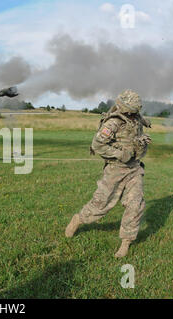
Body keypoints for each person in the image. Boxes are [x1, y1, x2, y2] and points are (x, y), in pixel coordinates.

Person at [65, 89, 152, 258]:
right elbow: (97, 145)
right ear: (125, 108)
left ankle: (126, 241)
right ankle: (78, 219)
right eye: (134, 110)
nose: (136, 112)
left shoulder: (135, 118)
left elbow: (138, 122)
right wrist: (120, 154)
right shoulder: (113, 123)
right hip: (115, 170)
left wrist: (144, 128)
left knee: (136, 204)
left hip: (134, 168)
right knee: (101, 204)